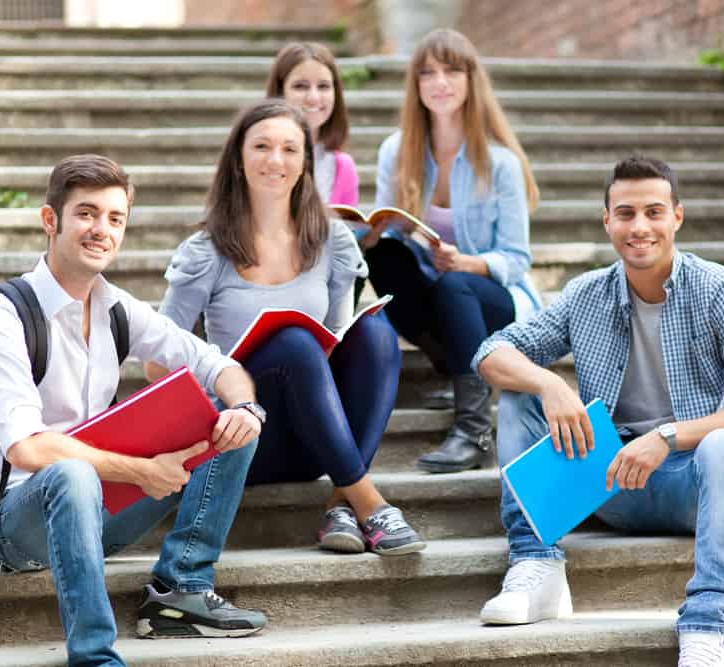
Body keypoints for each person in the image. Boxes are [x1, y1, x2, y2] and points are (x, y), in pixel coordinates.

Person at [473, 156, 724, 667]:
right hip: (612, 479)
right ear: (607, 221)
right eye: (626, 213)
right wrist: (550, 382)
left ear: (677, 217)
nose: (639, 227)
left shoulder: (721, 290)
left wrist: (666, 436)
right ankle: (536, 563)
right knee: (520, 391)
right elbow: (492, 350)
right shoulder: (586, 294)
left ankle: (708, 621)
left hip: (698, 484)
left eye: (654, 211)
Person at [0, 154, 268, 666]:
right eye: (86, 213)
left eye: (115, 218)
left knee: (231, 423)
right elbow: (27, 446)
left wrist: (246, 408)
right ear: (51, 221)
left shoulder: (116, 308)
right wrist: (141, 471)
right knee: (72, 474)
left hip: (100, 511)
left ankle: (181, 591)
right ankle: (94, 657)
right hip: (17, 523)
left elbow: (216, 364)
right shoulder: (6, 317)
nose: (101, 230)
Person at [146, 99, 425, 556]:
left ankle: (341, 499)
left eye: (289, 149)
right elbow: (157, 366)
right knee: (293, 344)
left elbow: (335, 341)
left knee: (376, 331)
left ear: (305, 164)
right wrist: (225, 373)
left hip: (317, 434)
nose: (275, 160)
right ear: (238, 159)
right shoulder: (206, 250)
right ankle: (370, 504)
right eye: (261, 146)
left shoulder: (332, 240)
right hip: (244, 438)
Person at [361, 28, 542, 474]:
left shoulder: (499, 162)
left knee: (457, 283)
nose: (440, 82)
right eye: (428, 73)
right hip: (437, 294)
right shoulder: (397, 151)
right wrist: (380, 228)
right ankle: (450, 364)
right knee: (383, 256)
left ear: (470, 80)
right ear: (416, 85)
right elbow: (389, 234)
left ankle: (474, 429)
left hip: (493, 300)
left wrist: (470, 263)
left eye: (451, 71)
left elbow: (517, 258)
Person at [265, 41, 359, 206]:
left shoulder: (343, 167)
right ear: (280, 92)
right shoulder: (259, 156)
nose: (313, 98)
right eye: (300, 86)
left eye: (323, 86)